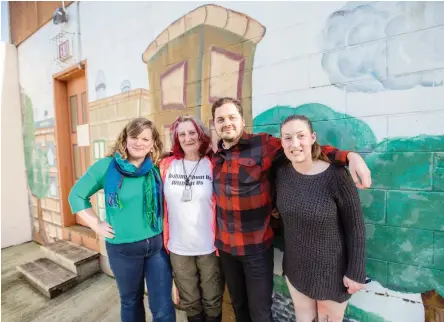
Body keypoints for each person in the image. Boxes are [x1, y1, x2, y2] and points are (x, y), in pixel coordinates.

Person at [210, 97, 371, 322]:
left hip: (256, 247)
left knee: (260, 312)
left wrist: (349, 156)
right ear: (214, 124)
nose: (227, 123)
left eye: (232, 117)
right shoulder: (214, 156)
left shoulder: (264, 145)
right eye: (221, 119)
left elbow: (301, 148)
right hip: (226, 247)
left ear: (242, 120)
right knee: (238, 306)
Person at [68, 118, 176, 322]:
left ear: (153, 143)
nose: (139, 143)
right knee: (131, 301)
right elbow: (76, 195)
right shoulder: (107, 166)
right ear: (124, 139)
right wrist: (95, 224)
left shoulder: (155, 167)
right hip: (123, 250)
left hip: (156, 247)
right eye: (134, 137)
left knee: (162, 306)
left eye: (145, 138)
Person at [276, 114, 366, 322]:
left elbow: (356, 227)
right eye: (288, 138)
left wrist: (356, 271)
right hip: (296, 267)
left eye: (301, 136)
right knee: (303, 318)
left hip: (332, 272)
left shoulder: (336, 176)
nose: (295, 144)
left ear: (313, 137)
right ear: (281, 142)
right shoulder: (282, 174)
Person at [159, 115, 224, 322]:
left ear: (201, 135)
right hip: (178, 247)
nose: (187, 138)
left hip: (209, 247)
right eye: (182, 134)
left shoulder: (213, 164)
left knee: (213, 300)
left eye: (192, 133)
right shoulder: (166, 165)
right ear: (176, 139)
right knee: (190, 302)